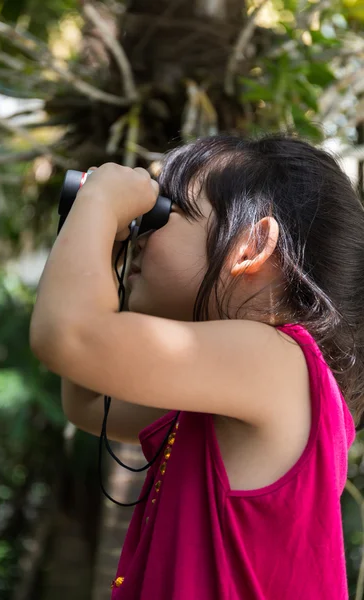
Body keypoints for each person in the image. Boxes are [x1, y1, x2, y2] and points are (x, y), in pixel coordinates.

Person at [30, 133, 364, 599]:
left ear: (253, 245)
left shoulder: (273, 362)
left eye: (167, 210)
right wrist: (102, 241)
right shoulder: (234, 395)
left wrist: (102, 201)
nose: (140, 232)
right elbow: (88, 400)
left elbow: (69, 338)